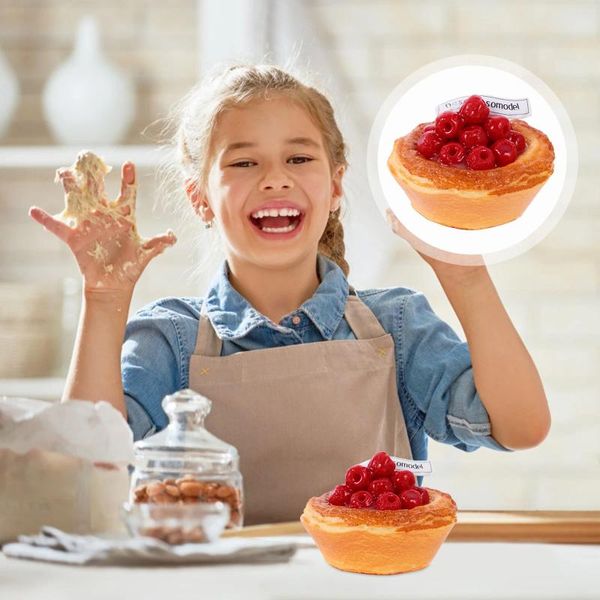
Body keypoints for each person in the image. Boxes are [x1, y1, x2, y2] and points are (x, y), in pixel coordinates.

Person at [29, 64, 551, 525]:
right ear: (199, 198)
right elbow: (86, 467)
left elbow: (521, 427)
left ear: (336, 185)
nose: (275, 179)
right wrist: (103, 298)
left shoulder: (397, 326)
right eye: (244, 163)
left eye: (299, 159)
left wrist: (463, 273)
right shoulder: (170, 339)